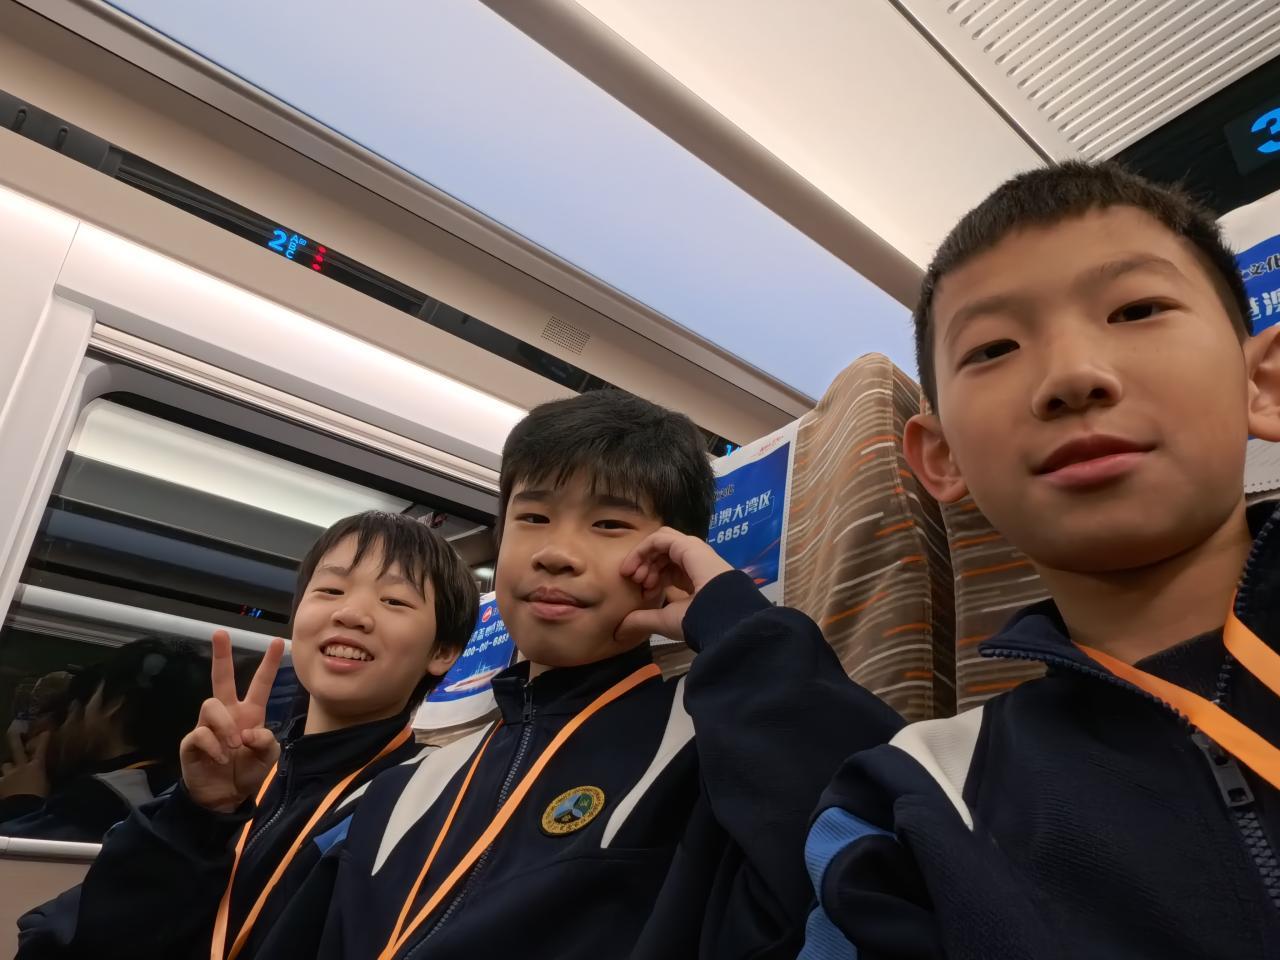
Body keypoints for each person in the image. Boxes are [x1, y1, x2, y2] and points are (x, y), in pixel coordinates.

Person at [791, 162, 1280, 959]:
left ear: (1264, 385)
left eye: (1137, 309)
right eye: (993, 349)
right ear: (942, 457)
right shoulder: (911, 799)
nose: (1071, 376)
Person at [253, 389, 901, 960]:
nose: (556, 553)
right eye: (532, 518)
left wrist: (733, 621)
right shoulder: (403, 792)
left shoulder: (712, 749)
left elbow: (877, 845)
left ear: (673, 556)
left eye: (609, 524)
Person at [17, 510, 479, 960]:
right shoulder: (235, 774)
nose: (351, 613)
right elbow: (77, 938)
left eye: (394, 601)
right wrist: (200, 813)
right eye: (331, 589)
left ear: (442, 651)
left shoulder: (421, 809)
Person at [0, 637, 209, 842]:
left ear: (114, 705)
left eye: (94, 694)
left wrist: (20, 801)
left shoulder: (101, 797)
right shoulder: (176, 789)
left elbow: (26, 856)